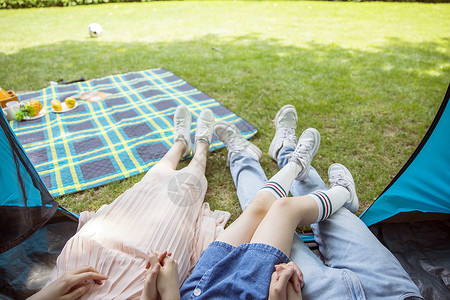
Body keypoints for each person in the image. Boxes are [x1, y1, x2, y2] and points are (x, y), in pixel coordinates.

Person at [212, 105, 424, 300]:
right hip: (395, 295)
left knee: (262, 222)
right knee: (330, 210)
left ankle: (246, 157)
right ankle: (288, 154)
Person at [29, 105, 231, 300]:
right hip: (137, 282)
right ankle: (202, 146)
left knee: (145, 188)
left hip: (82, 264)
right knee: (181, 197)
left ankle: (180, 144)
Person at [180, 122, 366, 299]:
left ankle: (296, 166)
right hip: (242, 292)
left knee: (259, 206)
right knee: (284, 208)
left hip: (196, 287)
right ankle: (344, 193)